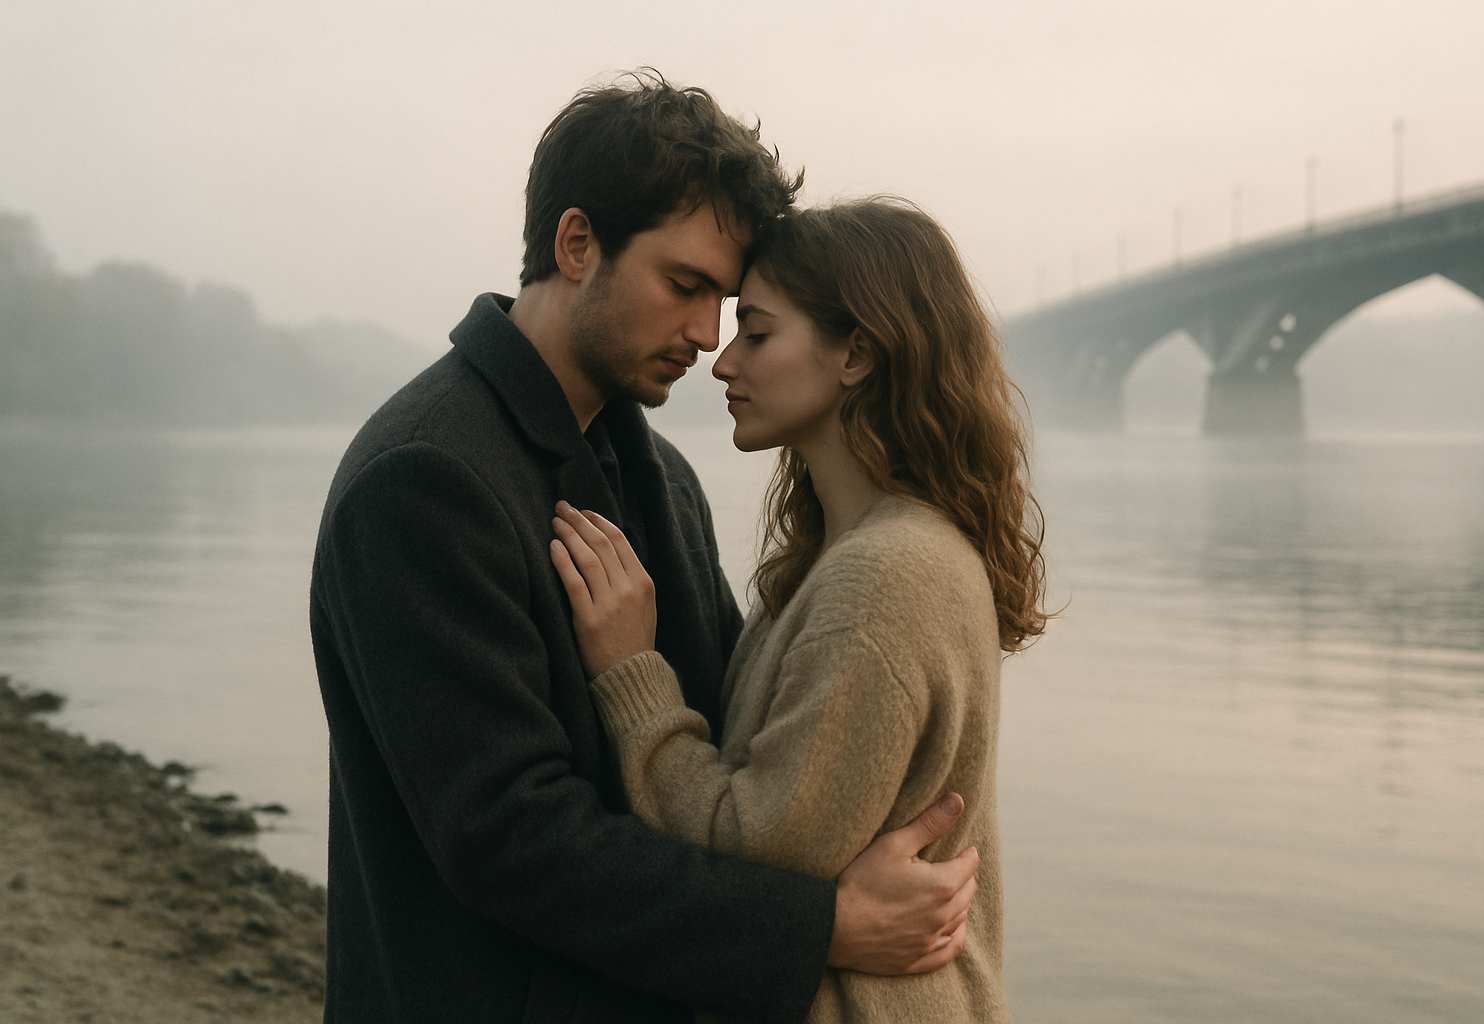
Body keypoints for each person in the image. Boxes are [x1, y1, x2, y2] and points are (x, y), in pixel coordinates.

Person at [309, 75, 980, 1024]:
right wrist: (819, 927)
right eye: (684, 285)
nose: (708, 336)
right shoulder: (423, 478)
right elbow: (509, 837)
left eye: (728, 301)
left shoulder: (661, 475)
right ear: (576, 244)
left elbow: (724, 742)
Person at [548, 199, 1050, 1023]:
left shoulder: (886, 577)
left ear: (855, 353)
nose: (722, 361)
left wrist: (631, 675)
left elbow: (754, 847)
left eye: (757, 333)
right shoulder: (839, 560)